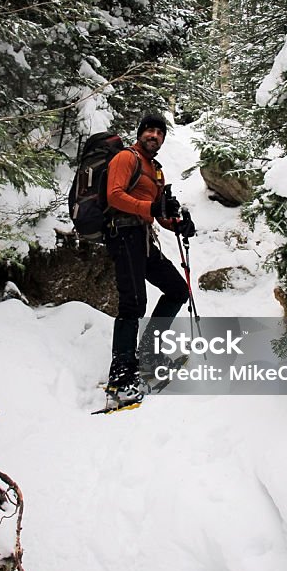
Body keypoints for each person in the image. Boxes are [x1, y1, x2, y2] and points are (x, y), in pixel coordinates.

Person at [104, 112, 195, 403]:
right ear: (140, 133)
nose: (154, 136)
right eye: (149, 131)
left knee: (178, 290)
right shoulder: (126, 158)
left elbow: (158, 214)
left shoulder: (155, 170)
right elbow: (114, 196)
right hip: (123, 235)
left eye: (159, 132)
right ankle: (120, 379)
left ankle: (150, 353)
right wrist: (152, 209)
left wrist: (178, 223)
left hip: (142, 238)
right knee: (133, 303)